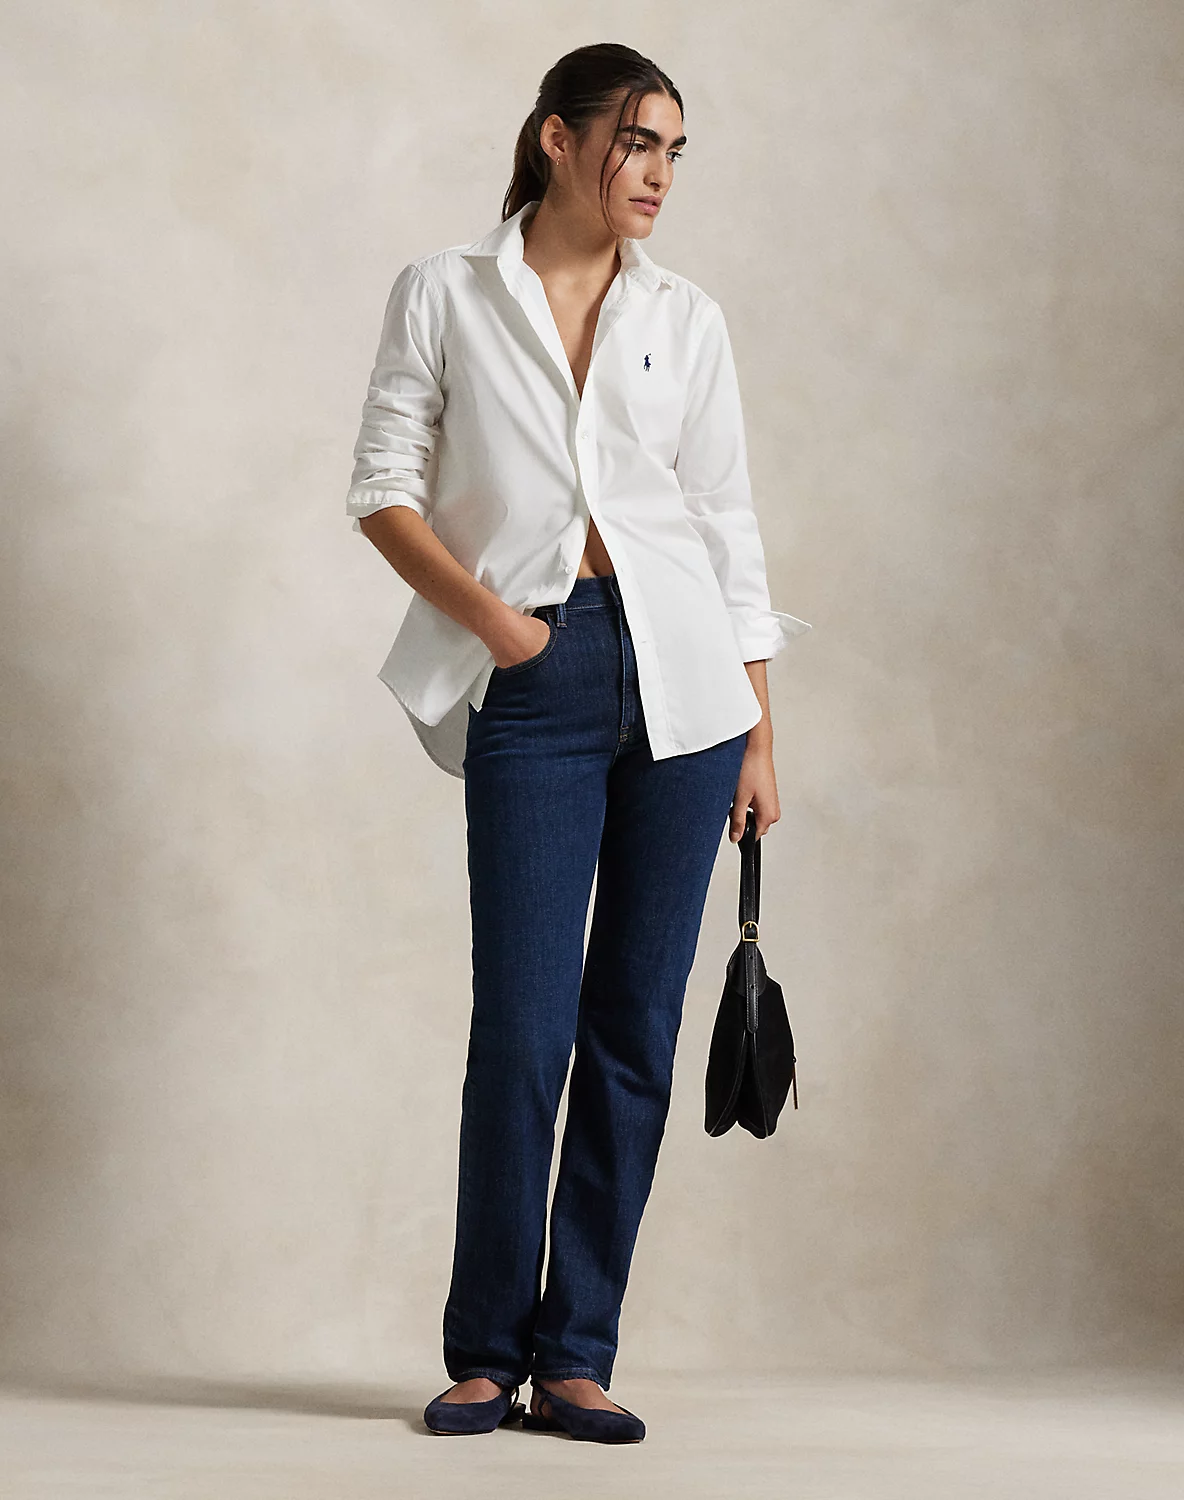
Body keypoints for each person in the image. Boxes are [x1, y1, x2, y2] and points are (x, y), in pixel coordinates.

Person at [345, 43, 810, 1445]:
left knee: (633, 1032)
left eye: (676, 151)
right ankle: (485, 1351)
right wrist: (501, 627)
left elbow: (724, 525)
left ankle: (578, 1354)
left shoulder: (688, 316)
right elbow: (381, 488)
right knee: (524, 1024)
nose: (660, 174)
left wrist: (758, 728)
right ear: (559, 138)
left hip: (686, 685)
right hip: (537, 674)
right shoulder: (445, 292)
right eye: (639, 142)